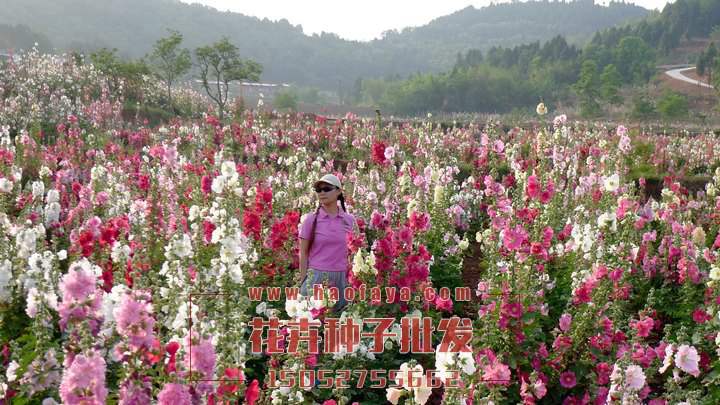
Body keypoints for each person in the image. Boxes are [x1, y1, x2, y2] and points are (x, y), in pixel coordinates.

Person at [296, 174, 358, 314]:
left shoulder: (349, 221)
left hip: (341, 279)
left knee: (339, 325)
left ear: (338, 191)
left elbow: (356, 251)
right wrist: (304, 280)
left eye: (327, 188)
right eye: (319, 189)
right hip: (316, 277)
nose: (322, 192)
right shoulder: (311, 220)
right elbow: (303, 253)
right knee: (313, 325)